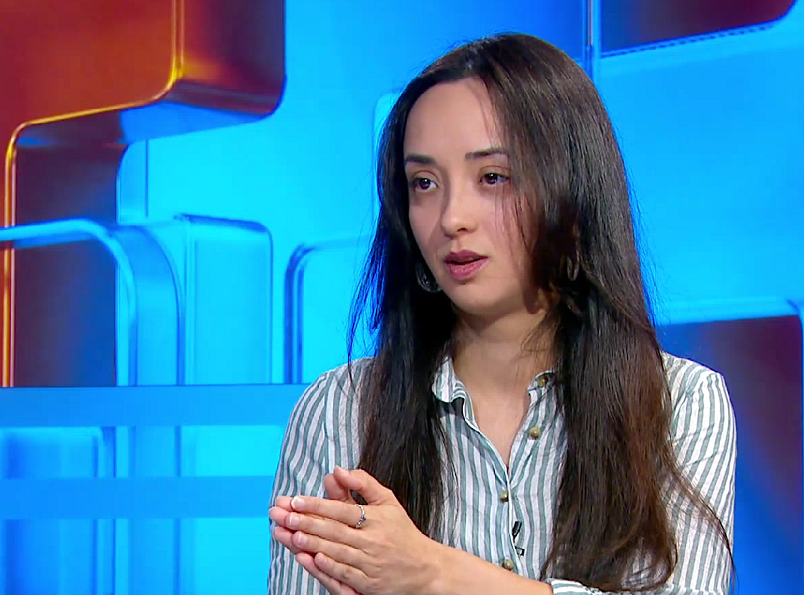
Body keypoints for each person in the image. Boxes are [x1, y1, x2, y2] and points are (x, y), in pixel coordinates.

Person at [267, 33, 735, 595]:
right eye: (424, 184)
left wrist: (431, 573)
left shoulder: (681, 403)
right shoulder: (339, 411)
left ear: (572, 192)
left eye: (492, 177)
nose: (452, 218)